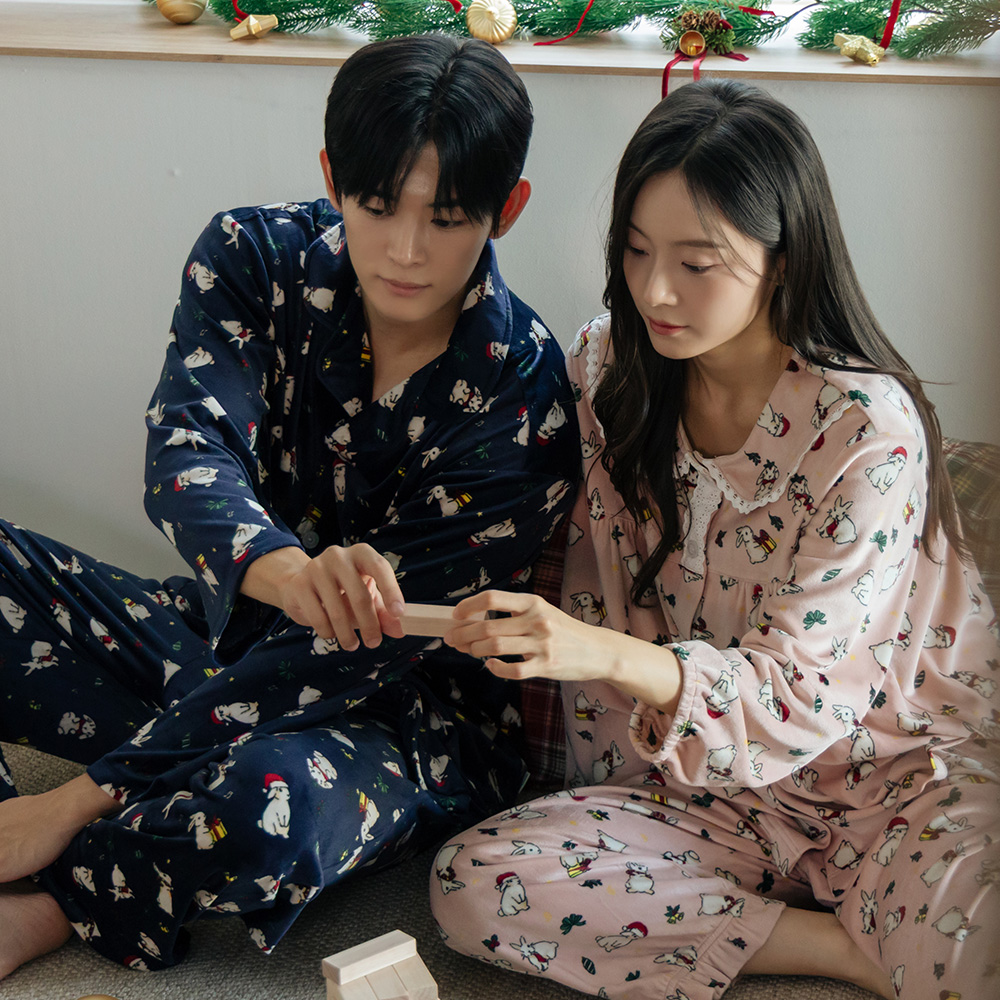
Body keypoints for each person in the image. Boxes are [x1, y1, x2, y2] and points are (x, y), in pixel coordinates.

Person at [0, 35, 578, 977]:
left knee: (271, 809)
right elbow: (186, 453)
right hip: (225, 641)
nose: (406, 250)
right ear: (332, 177)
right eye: (378, 206)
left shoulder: (524, 394)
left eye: (447, 219)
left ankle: (56, 902)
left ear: (505, 210)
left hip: (400, 721)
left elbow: (354, 655)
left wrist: (77, 798)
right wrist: (289, 574)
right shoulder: (249, 256)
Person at [431, 79, 999, 1000]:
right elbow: (480, 465)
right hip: (708, 795)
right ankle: (839, 949)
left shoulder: (867, 430)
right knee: (475, 884)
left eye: (698, 263)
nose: (654, 289)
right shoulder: (610, 369)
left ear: (785, 260)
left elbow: (801, 691)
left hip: (897, 782)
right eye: (636, 249)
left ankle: (872, 919)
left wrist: (598, 650)